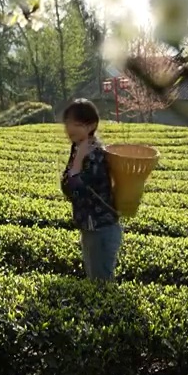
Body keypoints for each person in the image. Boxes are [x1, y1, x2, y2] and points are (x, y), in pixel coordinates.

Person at [60, 99, 123, 281]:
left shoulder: (94, 154)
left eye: (76, 124)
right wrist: (77, 161)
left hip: (101, 229)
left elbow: (75, 189)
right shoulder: (78, 148)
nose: (70, 128)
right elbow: (66, 185)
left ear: (91, 126)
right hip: (90, 227)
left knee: (100, 283)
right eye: (67, 123)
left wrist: (78, 162)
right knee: (94, 280)